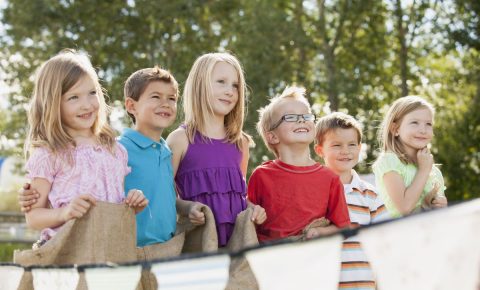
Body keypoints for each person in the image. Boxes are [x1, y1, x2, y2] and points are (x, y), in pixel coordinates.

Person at [23, 50, 147, 247]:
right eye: (74, 97)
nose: (87, 104)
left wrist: (132, 204)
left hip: (111, 250)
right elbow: (33, 217)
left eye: (92, 93)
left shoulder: (114, 150)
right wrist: (64, 212)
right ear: (54, 103)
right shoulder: (49, 154)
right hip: (67, 252)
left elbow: (113, 203)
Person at [167, 52, 266, 247]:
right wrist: (188, 208)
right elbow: (165, 196)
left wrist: (254, 209)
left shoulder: (241, 143)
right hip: (197, 245)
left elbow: (235, 196)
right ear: (199, 85)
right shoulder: (179, 140)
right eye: (221, 81)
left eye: (235, 85)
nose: (230, 91)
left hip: (237, 247)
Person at [247, 86, 350, 242]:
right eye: (290, 117)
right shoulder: (261, 176)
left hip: (312, 259)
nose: (302, 120)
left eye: (306, 116)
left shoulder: (330, 179)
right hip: (271, 259)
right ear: (272, 137)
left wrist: (319, 232)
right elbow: (248, 218)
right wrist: (253, 212)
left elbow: (343, 227)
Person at [119, 66, 204, 247]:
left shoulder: (166, 151)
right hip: (130, 250)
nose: (165, 103)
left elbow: (163, 197)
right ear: (131, 106)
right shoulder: (117, 149)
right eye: (156, 96)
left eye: (171, 98)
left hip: (166, 249)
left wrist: (188, 207)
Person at [315, 112, 390, 290]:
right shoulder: (313, 192)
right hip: (322, 282)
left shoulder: (371, 195)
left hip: (363, 284)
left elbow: (384, 243)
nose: (345, 151)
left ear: (359, 148)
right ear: (320, 150)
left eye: (351, 145)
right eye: (336, 145)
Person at [372, 96, 447, 218]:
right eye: (414, 123)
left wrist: (441, 204)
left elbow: (440, 213)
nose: (423, 130)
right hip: (400, 233)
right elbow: (405, 208)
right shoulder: (389, 162)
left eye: (428, 124)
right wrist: (423, 170)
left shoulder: (433, 170)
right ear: (395, 129)